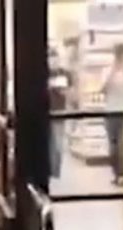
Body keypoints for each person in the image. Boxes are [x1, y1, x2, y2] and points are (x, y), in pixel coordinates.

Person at [100, 43, 123, 186]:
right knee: (114, 146)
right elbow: (102, 89)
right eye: (118, 54)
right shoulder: (108, 70)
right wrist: (113, 71)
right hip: (111, 110)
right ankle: (117, 174)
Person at [48, 47, 73, 179]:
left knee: (58, 142)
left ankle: (56, 170)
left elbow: (71, 91)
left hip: (59, 111)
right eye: (50, 58)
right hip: (45, 111)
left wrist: (65, 92)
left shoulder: (65, 73)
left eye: (54, 58)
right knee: (48, 142)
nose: (53, 61)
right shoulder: (43, 73)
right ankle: (49, 169)